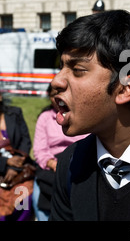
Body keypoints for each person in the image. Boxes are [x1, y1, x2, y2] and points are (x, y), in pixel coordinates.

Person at [49, 10, 130, 221]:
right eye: (61, 67)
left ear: (124, 89)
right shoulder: (71, 163)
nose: (56, 81)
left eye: (77, 69)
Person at [32, 84, 88, 221]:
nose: (59, 98)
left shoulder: (84, 117)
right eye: (53, 95)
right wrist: (53, 164)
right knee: (38, 195)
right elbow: (39, 149)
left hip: (78, 161)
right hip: (51, 164)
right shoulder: (45, 118)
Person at [0, 92, 34, 221]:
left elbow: (25, 140)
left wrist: (15, 167)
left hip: (20, 170)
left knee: (23, 200)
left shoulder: (14, 113)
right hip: (2, 171)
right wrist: (6, 162)